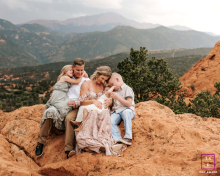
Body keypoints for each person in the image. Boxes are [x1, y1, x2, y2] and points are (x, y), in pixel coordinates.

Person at [35, 64, 86, 156]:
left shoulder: (77, 80)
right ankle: (40, 143)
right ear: (64, 71)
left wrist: (83, 74)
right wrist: (83, 73)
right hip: (59, 99)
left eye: (73, 70)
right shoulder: (65, 78)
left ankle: (59, 127)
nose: (72, 72)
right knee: (50, 112)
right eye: (70, 70)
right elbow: (77, 82)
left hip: (65, 100)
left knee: (59, 111)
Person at [76, 66, 125, 156]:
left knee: (105, 113)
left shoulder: (104, 85)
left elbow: (108, 96)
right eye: (102, 78)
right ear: (97, 74)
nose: (103, 81)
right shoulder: (86, 84)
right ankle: (91, 144)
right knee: (93, 113)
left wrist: (110, 102)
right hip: (86, 109)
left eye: (105, 80)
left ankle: (101, 143)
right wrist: (93, 101)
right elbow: (81, 102)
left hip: (100, 109)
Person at [63, 58, 90, 159]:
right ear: (73, 68)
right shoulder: (68, 78)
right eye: (77, 70)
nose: (80, 72)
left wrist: (77, 104)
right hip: (66, 105)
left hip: (79, 107)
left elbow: (88, 96)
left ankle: (70, 148)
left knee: (69, 118)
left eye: (82, 70)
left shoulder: (86, 80)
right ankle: (69, 150)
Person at [108, 72, 135, 146]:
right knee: (110, 121)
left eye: (112, 84)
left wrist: (117, 98)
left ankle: (128, 137)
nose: (112, 86)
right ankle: (118, 140)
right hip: (116, 112)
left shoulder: (127, 89)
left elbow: (129, 104)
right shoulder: (115, 90)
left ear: (117, 79)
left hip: (127, 110)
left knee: (126, 113)